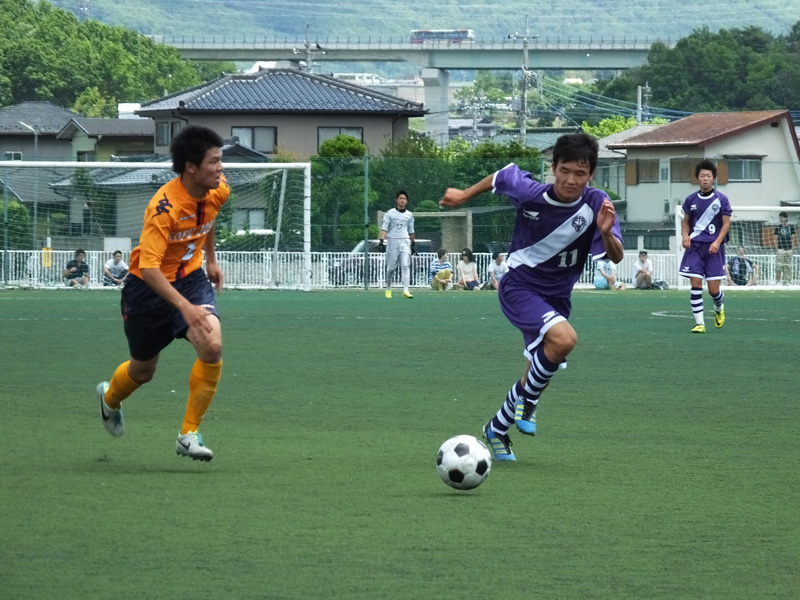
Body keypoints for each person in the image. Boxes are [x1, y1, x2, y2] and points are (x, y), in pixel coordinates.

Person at [441, 132, 623, 461]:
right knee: (564, 339)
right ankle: (529, 401)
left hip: (557, 298)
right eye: (564, 170)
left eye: (580, 174)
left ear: (591, 175)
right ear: (552, 167)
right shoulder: (531, 193)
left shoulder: (597, 203)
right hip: (519, 284)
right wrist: (464, 195)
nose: (571, 180)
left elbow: (617, 257)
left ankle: (496, 429)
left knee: (539, 370)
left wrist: (607, 232)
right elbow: (503, 175)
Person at [95, 125, 229, 462]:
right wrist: (184, 307)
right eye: (214, 162)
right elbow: (151, 269)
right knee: (143, 371)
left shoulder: (218, 189)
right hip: (147, 290)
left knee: (212, 345)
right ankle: (109, 399)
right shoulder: (163, 208)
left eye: (221, 160)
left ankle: (188, 434)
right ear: (191, 167)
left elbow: (209, 219)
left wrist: (210, 260)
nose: (221, 168)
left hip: (190, 279)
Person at [679, 159, 731, 333]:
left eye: (708, 176)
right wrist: (685, 235)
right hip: (695, 247)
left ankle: (719, 307)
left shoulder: (722, 199)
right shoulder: (690, 200)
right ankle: (699, 323)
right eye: (702, 176)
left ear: (713, 178)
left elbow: (726, 224)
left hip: (714, 249)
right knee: (695, 283)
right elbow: (686, 222)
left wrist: (717, 241)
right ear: (697, 178)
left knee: (713, 290)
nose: (705, 179)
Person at [378, 190, 416, 299]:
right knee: (391, 268)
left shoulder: (409, 215)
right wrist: (381, 241)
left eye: (404, 199)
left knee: (405, 265)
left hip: (404, 241)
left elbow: (411, 230)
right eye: (400, 198)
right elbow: (384, 228)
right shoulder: (390, 213)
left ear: (407, 201)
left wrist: (413, 243)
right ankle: (388, 288)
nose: (402, 200)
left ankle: (406, 290)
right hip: (392, 241)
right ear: (396, 200)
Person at [774, 211, 797, 284]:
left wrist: (792, 248)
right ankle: (778, 280)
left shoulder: (791, 227)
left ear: (786, 218)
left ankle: (788, 281)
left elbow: (793, 238)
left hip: (789, 249)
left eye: (782, 217)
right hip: (781, 249)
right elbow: (775, 238)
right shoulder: (778, 227)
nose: (780, 219)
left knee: (788, 266)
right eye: (780, 218)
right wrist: (777, 249)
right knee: (779, 265)